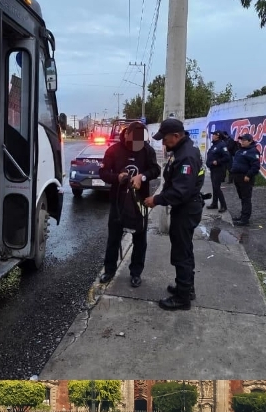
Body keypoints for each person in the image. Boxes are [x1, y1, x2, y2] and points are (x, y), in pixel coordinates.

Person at [144, 117, 204, 310]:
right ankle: (186, 287)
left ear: (177, 136)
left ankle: (182, 298)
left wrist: (156, 199)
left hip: (186, 208)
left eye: (166, 138)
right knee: (185, 249)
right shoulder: (180, 151)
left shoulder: (186, 156)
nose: (163, 142)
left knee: (181, 252)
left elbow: (181, 190)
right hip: (185, 207)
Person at [99, 120, 159, 288]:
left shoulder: (147, 150)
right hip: (118, 201)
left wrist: (143, 177)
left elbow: (156, 170)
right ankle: (109, 270)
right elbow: (103, 172)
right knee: (114, 238)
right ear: (126, 134)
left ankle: (136, 273)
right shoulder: (113, 150)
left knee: (140, 238)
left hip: (140, 201)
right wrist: (116, 177)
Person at [229, 132, 262, 226]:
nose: (242, 142)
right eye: (241, 140)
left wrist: (248, 175)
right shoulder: (240, 150)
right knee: (242, 197)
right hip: (237, 177)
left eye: (244, 140)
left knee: (246, 198)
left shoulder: (253, 151)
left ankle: (245, 219)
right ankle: (242, 215)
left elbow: (255, 166)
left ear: (250, 141)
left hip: (245, 178)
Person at [205, 127, 235, 215]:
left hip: (219, 169)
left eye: (214, 134)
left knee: (217, 187)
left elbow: (227, 157)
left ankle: (223, 205)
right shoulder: (215, 145)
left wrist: (217, 162)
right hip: (213, 169)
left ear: (218, 136)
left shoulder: (222, 145)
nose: (212, 136)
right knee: (214, 187)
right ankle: (214, 203)